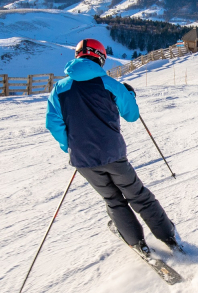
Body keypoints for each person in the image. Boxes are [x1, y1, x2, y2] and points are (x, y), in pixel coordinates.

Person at [45, 38, 181, 256]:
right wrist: (129, 95)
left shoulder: (59, 89)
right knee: (137, 195)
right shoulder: (109, 84)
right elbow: (132, 115)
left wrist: (70, 146)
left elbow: (54, 124)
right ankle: (168, 234)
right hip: (113, 155)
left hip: (83, 160)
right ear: (99, 58)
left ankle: (136, 242)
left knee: (112, 199)